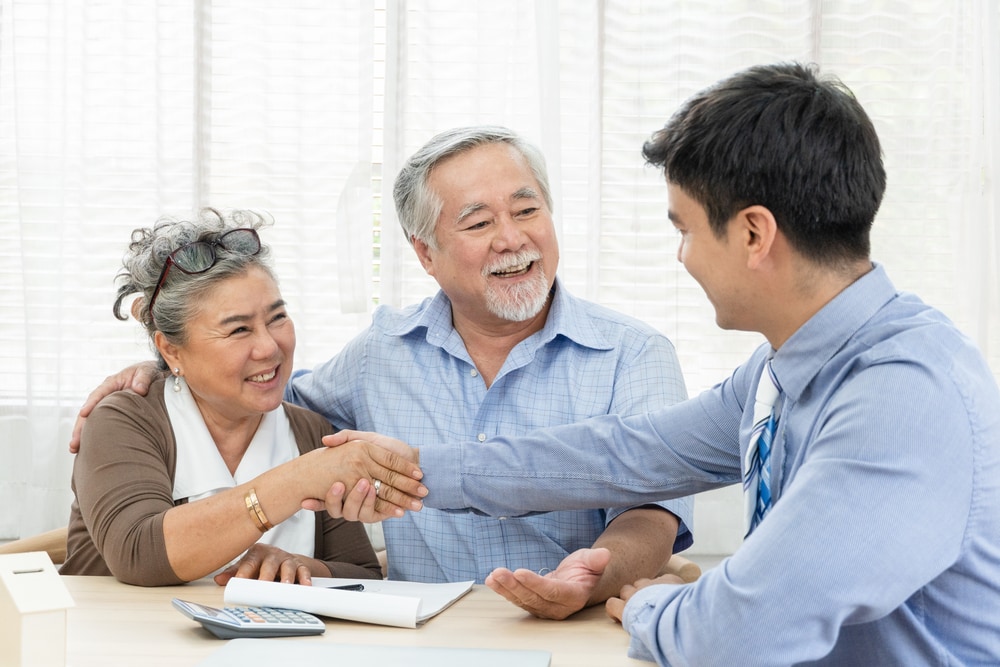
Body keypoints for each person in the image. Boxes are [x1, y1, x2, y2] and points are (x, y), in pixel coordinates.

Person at [325, 63, 1000, 665]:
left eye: (684, 229)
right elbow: (626, 451)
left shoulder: (902, 394)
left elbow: (734, 633)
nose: (682, 258)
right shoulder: (781, 370)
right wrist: (417, 469)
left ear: (753, 234)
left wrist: (645, 598)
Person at [69, 127, 694, 620]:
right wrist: (162, 370)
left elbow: (654, 511)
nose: (512, 238)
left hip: (575, 628)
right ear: (425, 253)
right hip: (423, 635)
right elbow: (259, 394)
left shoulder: (634, 354)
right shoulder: (380, 353)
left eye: (527, 210)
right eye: (478, 223)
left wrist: (593, 577)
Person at [60, 209, 425, 587]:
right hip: (128, 642)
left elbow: (361, 573)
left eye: (277, 318)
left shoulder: (309, 429)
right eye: (238, 330)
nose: (269, 347)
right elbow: (139, 554)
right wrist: (299, 480)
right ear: (171, 351)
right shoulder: (125, 419)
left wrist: (298, 565)